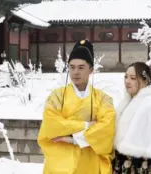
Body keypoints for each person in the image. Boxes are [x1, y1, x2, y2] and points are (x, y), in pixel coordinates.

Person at [37, 39, 116, 174]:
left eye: (81, 67)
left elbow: (106, 128)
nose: (75, 72)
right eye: (72, 67)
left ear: (91, 69)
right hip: (61, 165)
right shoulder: (57, 96)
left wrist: (73, 139)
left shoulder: (103, 99)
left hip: (90, 163)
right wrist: (86, 126)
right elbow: (52, 124)